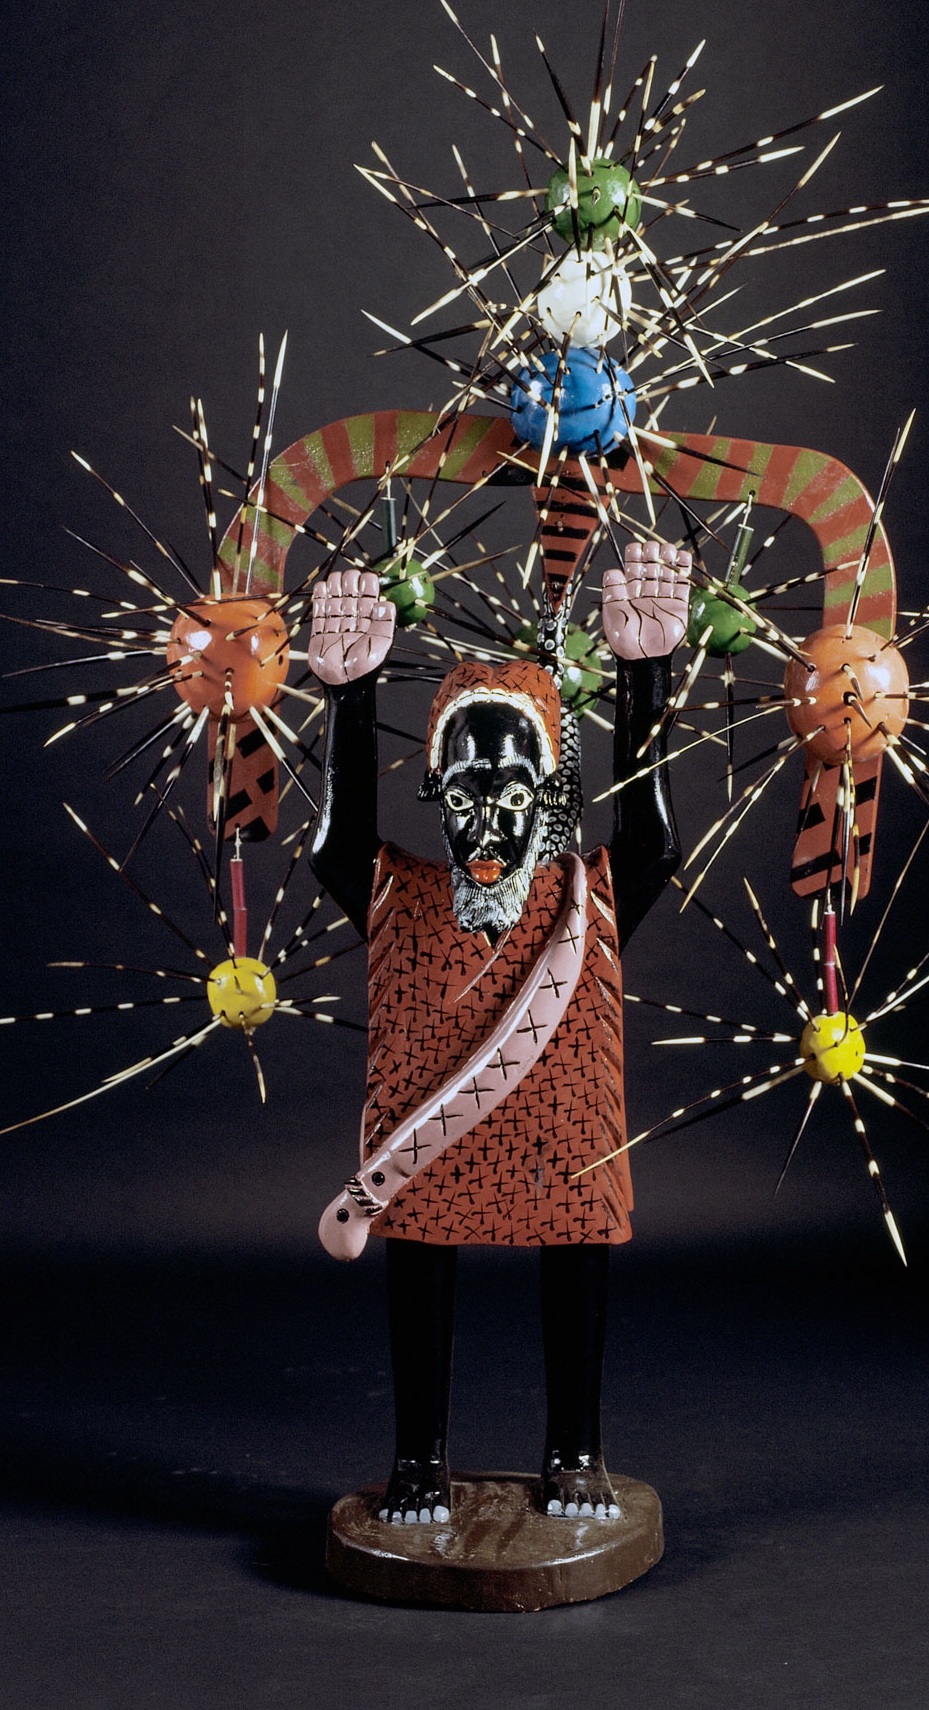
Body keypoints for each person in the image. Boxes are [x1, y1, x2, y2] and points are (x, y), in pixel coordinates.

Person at [307, 539, 691, 1522]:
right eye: (466, 791)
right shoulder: (400, 898)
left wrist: (645, 675)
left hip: (564, 1123)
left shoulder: (587, 900)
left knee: (576, 1251)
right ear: (434, 791)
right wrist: (348, 693)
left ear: (554, 797)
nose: (488, 826)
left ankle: (575, 1449)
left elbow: (653, 840)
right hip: (426, 1134)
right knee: (418, 1252)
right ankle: (418, 1459)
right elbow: (336, 844)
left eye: (516, 794)